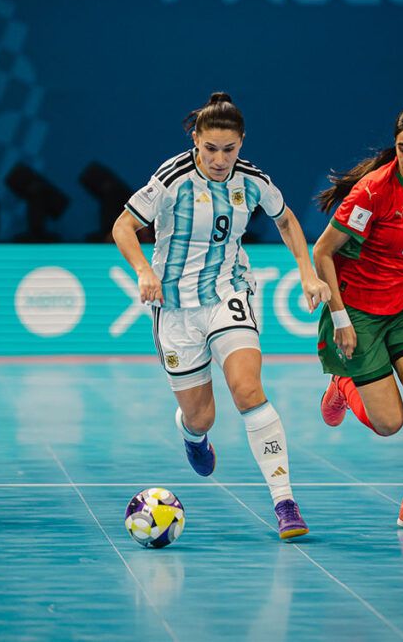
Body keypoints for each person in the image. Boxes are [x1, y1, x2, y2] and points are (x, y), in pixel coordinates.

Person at [111, 92, 330, 540]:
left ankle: (285, 502)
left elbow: (286, 219)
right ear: (196, 139)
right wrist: (143, 270)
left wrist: (307, 274)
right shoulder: (171, 178)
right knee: (201, 417)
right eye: (210, 148)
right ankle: (193, 436)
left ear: (241, 143)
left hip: (229, 293)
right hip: (174, 309)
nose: (219, 159)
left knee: (248, 390)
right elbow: (123, 226)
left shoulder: (252, 180)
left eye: (229, 149)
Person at [312, 105, 403, 531]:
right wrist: (339, 318)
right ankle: (343, 384)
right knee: (389, 424)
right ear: (394, 147)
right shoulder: (372, 192)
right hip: (357, 312)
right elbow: (323, 253)